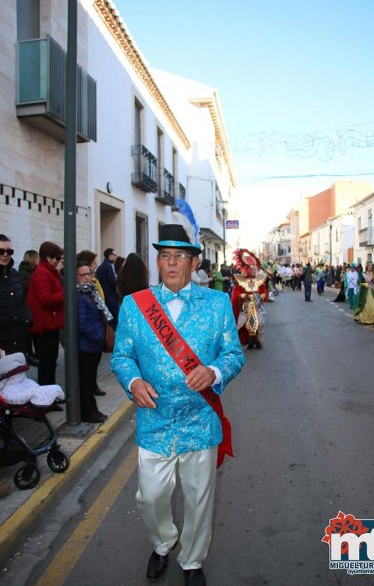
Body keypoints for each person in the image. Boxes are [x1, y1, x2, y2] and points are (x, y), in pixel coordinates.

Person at [111, 200, 245, 586]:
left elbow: (234, 354)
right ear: (159, 262)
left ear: (193, 262)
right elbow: (122, 356)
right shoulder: (136, 306)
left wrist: (214, 371)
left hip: (200, 419)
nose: (170, 264)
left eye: (179, 257)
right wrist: (133, 382)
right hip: (154, 418)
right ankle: (163, 540)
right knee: (150, 497)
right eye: (165, 257)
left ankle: (192, 560)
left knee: (199, 500)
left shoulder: (218, 304)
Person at [76, 261, 111, 423]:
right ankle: (88, 412)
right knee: (86, 382)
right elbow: (82, 324)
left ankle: (93, 410)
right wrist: (98, 335)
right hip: (86, 346)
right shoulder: (79, 296)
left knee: (90, 381)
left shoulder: (91, 292)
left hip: (94, 345)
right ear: (75, 277)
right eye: (82, 274)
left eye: (88, 273)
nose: (86, 278)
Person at [26, 241, 64, 386]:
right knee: (46, 363)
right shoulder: (43, 273)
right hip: (45, 325)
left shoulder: (48, 271)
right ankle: (46, 395)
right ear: (48, 257)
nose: (58, 262)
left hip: (50, 323)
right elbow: (45, 299)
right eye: (57, 258)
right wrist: (65, 293)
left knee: (50, 362)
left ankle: (50, 393)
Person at [0, 234, 32, 356]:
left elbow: (22, 300)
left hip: (18, 341)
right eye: (1, 251)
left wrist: (27, 319)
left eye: (9, 251)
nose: (5, 254)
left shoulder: (14, 273)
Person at [18, 249, 40, 366]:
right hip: (27, 305)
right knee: (28, 334)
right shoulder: (24, 271)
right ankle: (29, 356)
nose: (38, 260)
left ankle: (36, 354)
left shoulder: (34, 270)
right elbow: (24, 288)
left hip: (34, 305)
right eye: (37, 258)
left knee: (34, 333)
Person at [96, 248, 119, 329]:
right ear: (110, 255)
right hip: (111, 297)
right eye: (114, 254)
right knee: (114, 321)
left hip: (103, 296)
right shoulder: (109, 266)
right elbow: (113, 282)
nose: (116, 256)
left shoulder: (100, 267)